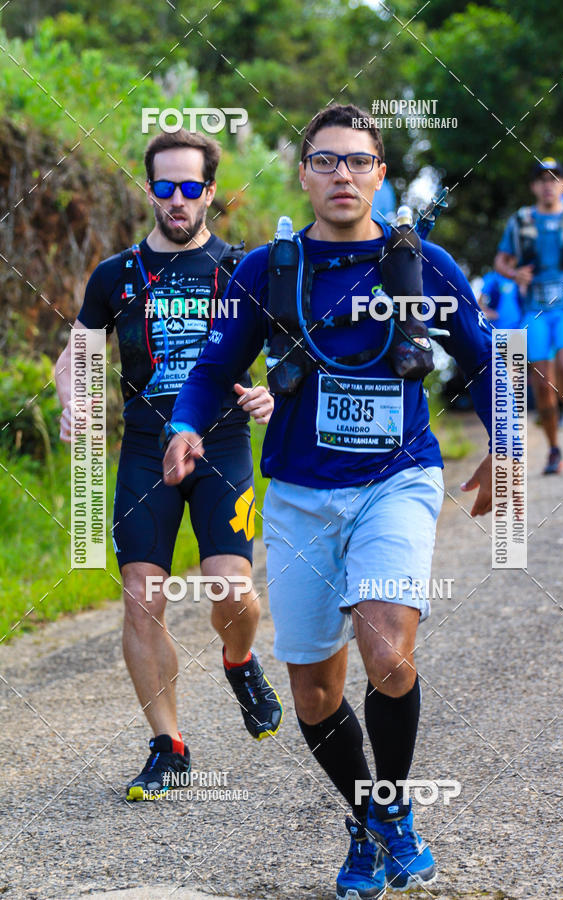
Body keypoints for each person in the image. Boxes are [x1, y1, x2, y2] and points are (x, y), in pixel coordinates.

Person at [162, 104, 493, 898]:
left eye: (357, 161)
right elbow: (213, 369)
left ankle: (393, 809)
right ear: (304, 174)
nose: (342, 174)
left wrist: (506, 444)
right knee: (314, 690)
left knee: (387, 652)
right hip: (300, 496)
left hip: (397, 481)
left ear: (380, 174)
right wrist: (184, 425)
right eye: (325, 161)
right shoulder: (265, 271)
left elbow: (486, 356)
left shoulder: (424, 265)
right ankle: (367, 819)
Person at [54, 128, 283, 801]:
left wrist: (273, 389)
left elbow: (288, 352)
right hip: (145, 451)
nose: (176, 199)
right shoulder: (116, 275)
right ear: (149, 189)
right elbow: (75, 357)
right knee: (142, 598)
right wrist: (74, 401)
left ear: (210, 191)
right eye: (164, 186)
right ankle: (169, 747)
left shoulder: (242, 268)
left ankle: (239, 659)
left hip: (224, 444)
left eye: (189, 187)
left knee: (230, 589)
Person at [495, 157, 563, 473]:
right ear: (533, 186)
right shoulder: (521, 220)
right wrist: (514, 274)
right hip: (535, 310)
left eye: (555, 179)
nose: (548, 185)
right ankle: (554, 448)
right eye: (542, 179)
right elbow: (501, 261)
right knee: (542, 383)